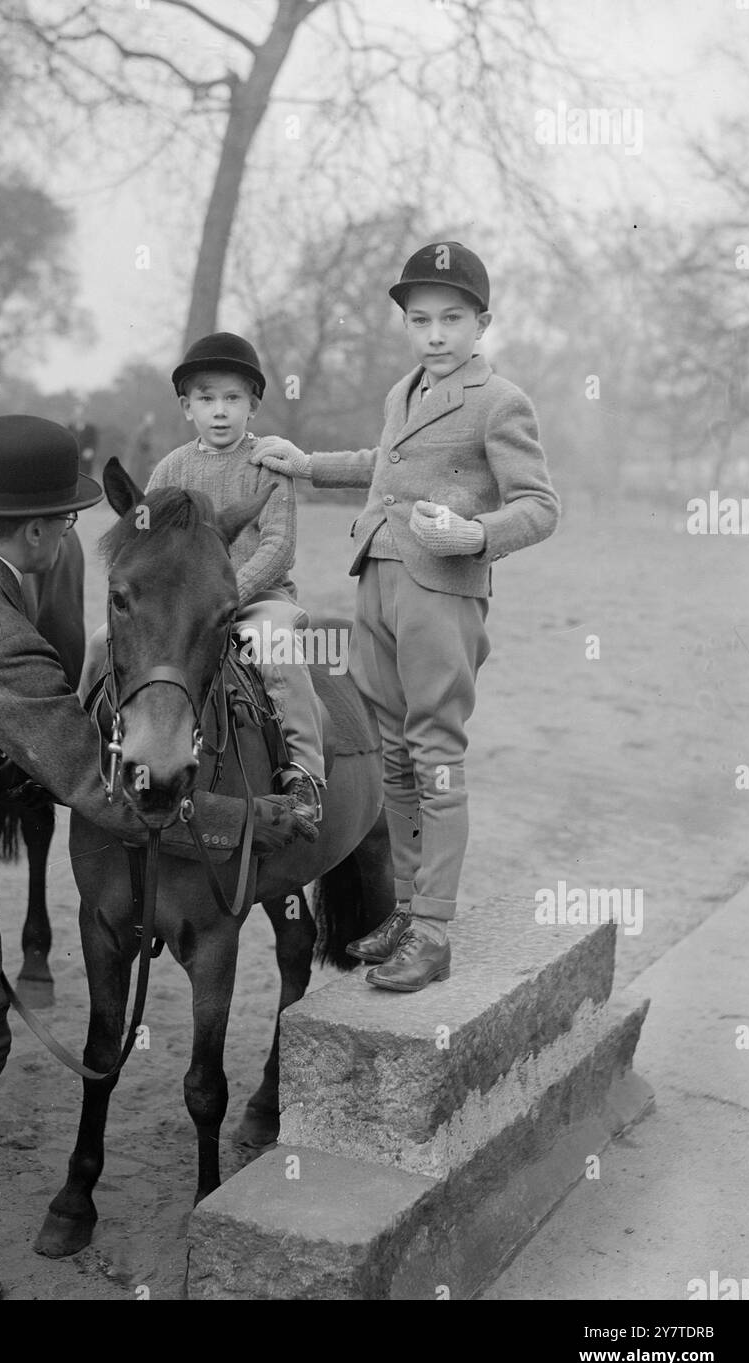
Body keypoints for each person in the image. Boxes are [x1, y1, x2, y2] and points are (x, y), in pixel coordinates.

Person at [0, 414, 306, 1300]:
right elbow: (103, 789)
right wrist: (246, 820)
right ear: (45, 532)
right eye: (66, 525)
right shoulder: (0, 638)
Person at [253, 242, 561, 991]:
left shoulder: (499, 400)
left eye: (451, 319)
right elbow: (385, 463)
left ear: (480, 321)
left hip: (442, 593)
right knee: (389, 753)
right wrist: (307, 464)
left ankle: (434, 927)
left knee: (435, 755)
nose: (434, 334)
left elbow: (540, 506)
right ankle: (402, 905)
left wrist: (477, 534)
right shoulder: (406, 389)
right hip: (378, 581)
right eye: (419, 319)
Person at [146, 332, 326, 831]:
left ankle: (304, 773)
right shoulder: (170, 469)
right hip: (185, 608)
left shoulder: (268, 462)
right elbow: (149, 546)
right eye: (206, 399)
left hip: (258, 599)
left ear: (254, 404)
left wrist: (223, 598)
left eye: (232, 399)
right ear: (187, 406)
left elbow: (278, 547)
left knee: (275, 645)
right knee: (105, 642)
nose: (219, 411)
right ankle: (86, 747)